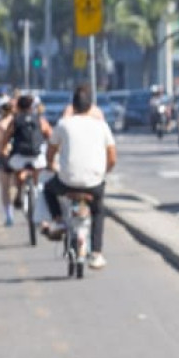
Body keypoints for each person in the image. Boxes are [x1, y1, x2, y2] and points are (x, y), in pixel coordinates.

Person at [41, 85, 116, 269]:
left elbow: (51, 151)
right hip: (94, 183)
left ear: (72, 106)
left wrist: (50, 164)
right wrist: (103, 171)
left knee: (48, 189)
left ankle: (58, 221)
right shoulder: (102, 126)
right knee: (98, 210)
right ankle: (96, 253)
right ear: (91, 106)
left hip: (67, 181)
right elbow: (112, 157)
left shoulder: (63, 124)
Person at [0, 93, 50, 226]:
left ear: (19, 107)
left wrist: (2, 151)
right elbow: (50, 134)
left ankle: (19, 192)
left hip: (19, 156)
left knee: (17, 170)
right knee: (39, 178)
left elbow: (6, 138)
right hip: (37, 156)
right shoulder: (39, 119)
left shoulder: (15, 120)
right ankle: (37, 190)